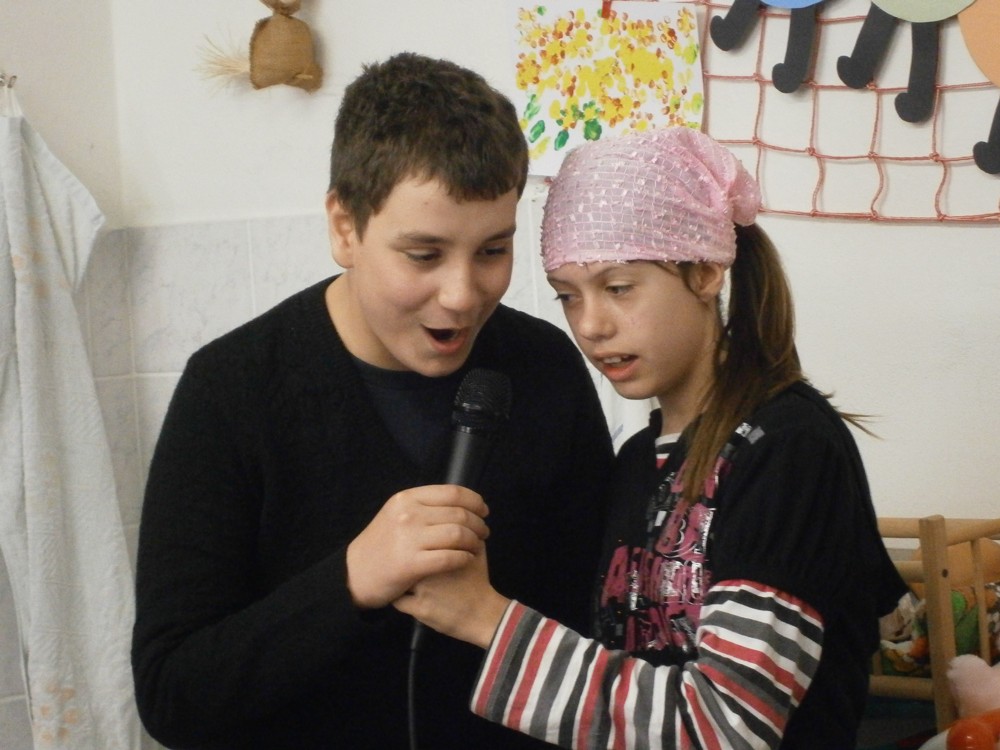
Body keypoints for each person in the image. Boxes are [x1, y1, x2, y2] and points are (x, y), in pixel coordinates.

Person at [130, 52, 614, 749]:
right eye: (423, 255)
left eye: (492, 251)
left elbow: (593, 627)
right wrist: (351, 580)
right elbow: (172, 696)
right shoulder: (230, 391)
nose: (462, 295)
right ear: (345, 227)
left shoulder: (546, 370)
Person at [395, 127, 910, 749]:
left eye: (618, 288)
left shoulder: (788, 446)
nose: (591, 325)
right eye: (568, 296)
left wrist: (485, 618)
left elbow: (725, 727)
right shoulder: (638, 461)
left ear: (706, 272)